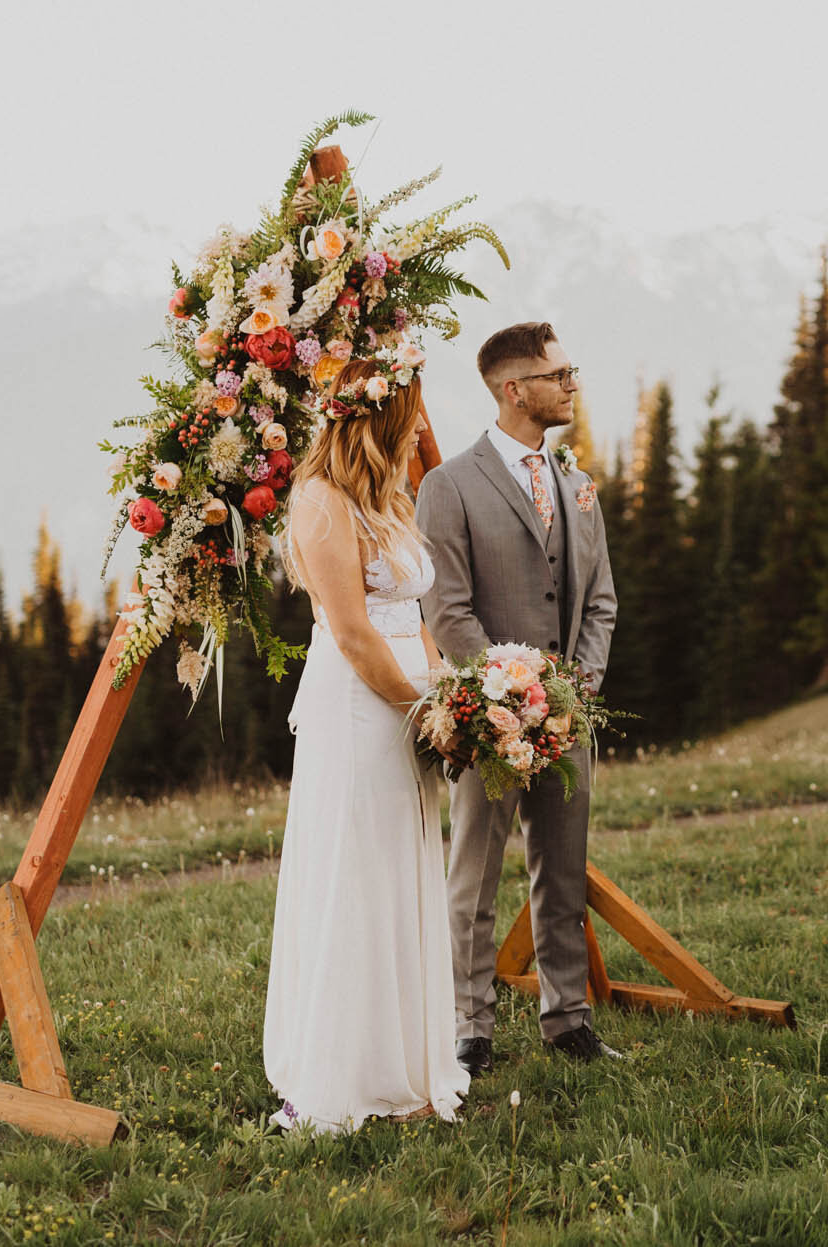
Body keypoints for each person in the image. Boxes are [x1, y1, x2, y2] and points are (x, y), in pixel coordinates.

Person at [265, 351, 468, 1132]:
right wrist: (426, 708)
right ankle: (347, 1072)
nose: (422, 423)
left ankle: (407, 1064)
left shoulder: (389, 495)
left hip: (411, 700)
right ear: (379, 414)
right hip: (360, 710)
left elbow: (411, 616)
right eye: (412, 409)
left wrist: (452, 692)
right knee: (357, 871)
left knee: (401, 870)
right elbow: (352, 633)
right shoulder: (320, 503)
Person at [417, 321, 619, 1074]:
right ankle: (469, 1029)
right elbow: (448, 610)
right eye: (558, 374)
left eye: (570, 370)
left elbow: (600, 601)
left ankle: (569, 1019)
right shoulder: (449, 486)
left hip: (570, 718)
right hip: (487, 718)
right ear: (514, 389)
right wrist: (515, 696)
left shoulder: (575, 481)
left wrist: (577, 693)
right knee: (473, 875)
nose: (571, 384)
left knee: (562, 870)